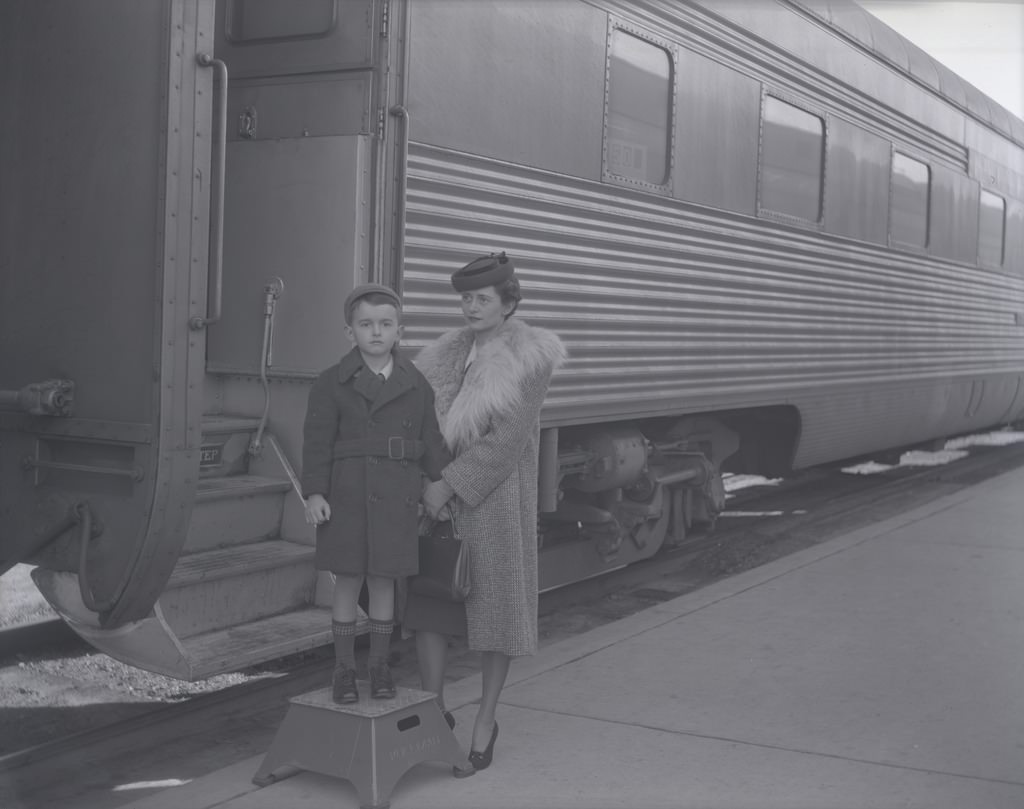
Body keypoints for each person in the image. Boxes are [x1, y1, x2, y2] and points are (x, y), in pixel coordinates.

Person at [409, 251, 567, 774]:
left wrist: (447, 486)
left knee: (496, 616)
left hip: (493, 504)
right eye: (466, 298)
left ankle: (485, 718)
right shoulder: (445, 353)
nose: (471, 307)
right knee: (431, 605)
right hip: (439, 500)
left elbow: (506, 443)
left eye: (482, 299)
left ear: (509, 302)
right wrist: (428, 484)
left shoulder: (530, 356)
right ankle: (433, 710)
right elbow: (423, 428)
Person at [301, 283, 448, 704]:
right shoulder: (330, 383)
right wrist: (314, 493)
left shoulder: (415, 383)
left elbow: (430, 438)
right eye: (366, 325)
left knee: (385, 583)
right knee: (347, 582)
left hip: (396, 496)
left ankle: (380, 667)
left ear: (400, 331)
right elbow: (316, 443)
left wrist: (443, 483)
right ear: (350, 333)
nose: (376, 333)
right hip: (346, 497)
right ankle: (344, 671)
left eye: (385, 325)